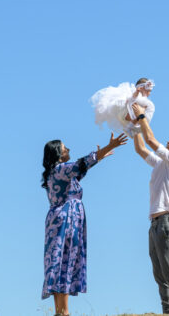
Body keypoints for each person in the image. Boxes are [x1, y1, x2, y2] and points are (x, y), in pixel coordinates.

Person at [41, 132, 129, 316]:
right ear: (58, 153)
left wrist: (101, 156)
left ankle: (60, 311)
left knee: (57, 262)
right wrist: (109, 146)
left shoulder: (55, 173)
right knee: (64, 260)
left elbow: (81, 170)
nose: (68, 150)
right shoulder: (61, 169)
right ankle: (63, 312)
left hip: (57, 219)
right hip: (67, 219)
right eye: (65, 148)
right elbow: (82, 163)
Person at [131, 102, 169, 315]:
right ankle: (168, 311)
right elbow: (141, 148)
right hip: (156, 223)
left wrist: (141, 117)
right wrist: (135, 127)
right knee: (159, 273)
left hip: (167, 222)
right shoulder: (160, 164)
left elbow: (151, 140)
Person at [90, 77, 155, 136]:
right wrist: (137, 92)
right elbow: (132, 98)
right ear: (141, 88)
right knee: (146, 106)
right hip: (125, 113)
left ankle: (130, 127)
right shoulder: (135, 95)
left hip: (129, 119)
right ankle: (130, 126)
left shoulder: (143, 101)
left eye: (150, 91)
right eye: (148, 91)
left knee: (145, 108)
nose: (149, 93)